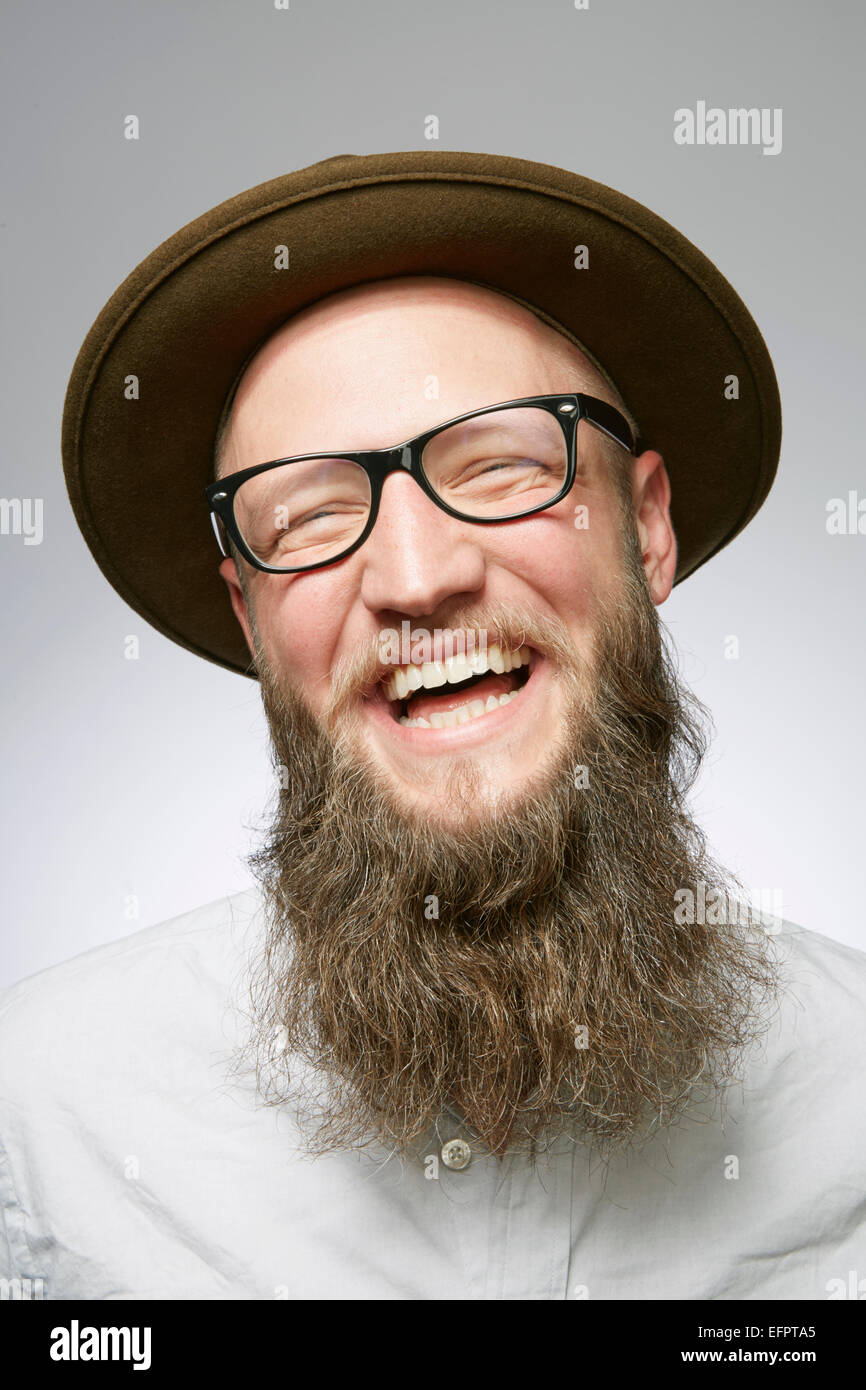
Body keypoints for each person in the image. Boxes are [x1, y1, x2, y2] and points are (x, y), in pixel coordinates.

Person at [2, 151, 864, 1301]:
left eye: (504, 465)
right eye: (309, 514)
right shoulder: (41, 1118)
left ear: (646, 528)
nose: (415, 576)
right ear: (248, 614)